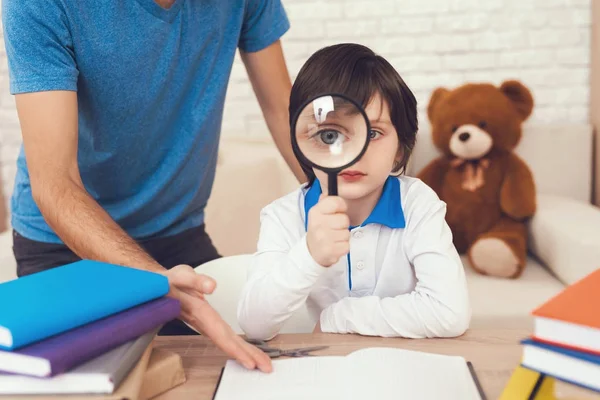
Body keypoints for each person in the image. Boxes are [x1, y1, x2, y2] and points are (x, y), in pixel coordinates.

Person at [2, 0, 305, 372]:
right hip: (65, 246)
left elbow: (282, 108)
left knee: (233, 370)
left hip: (177, 234)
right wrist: (155, 282)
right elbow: (55, 184)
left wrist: (343, 198)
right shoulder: (38, 5)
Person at [237, 43, 471, 340]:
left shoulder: (418, 204)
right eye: (331, 134)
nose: (351, 153)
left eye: (372, 133)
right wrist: (309, 254)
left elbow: (449, 314)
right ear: (303, 145)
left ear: (401, 149)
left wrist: (339, 316)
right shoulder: (283, 216)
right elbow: (255, 325)